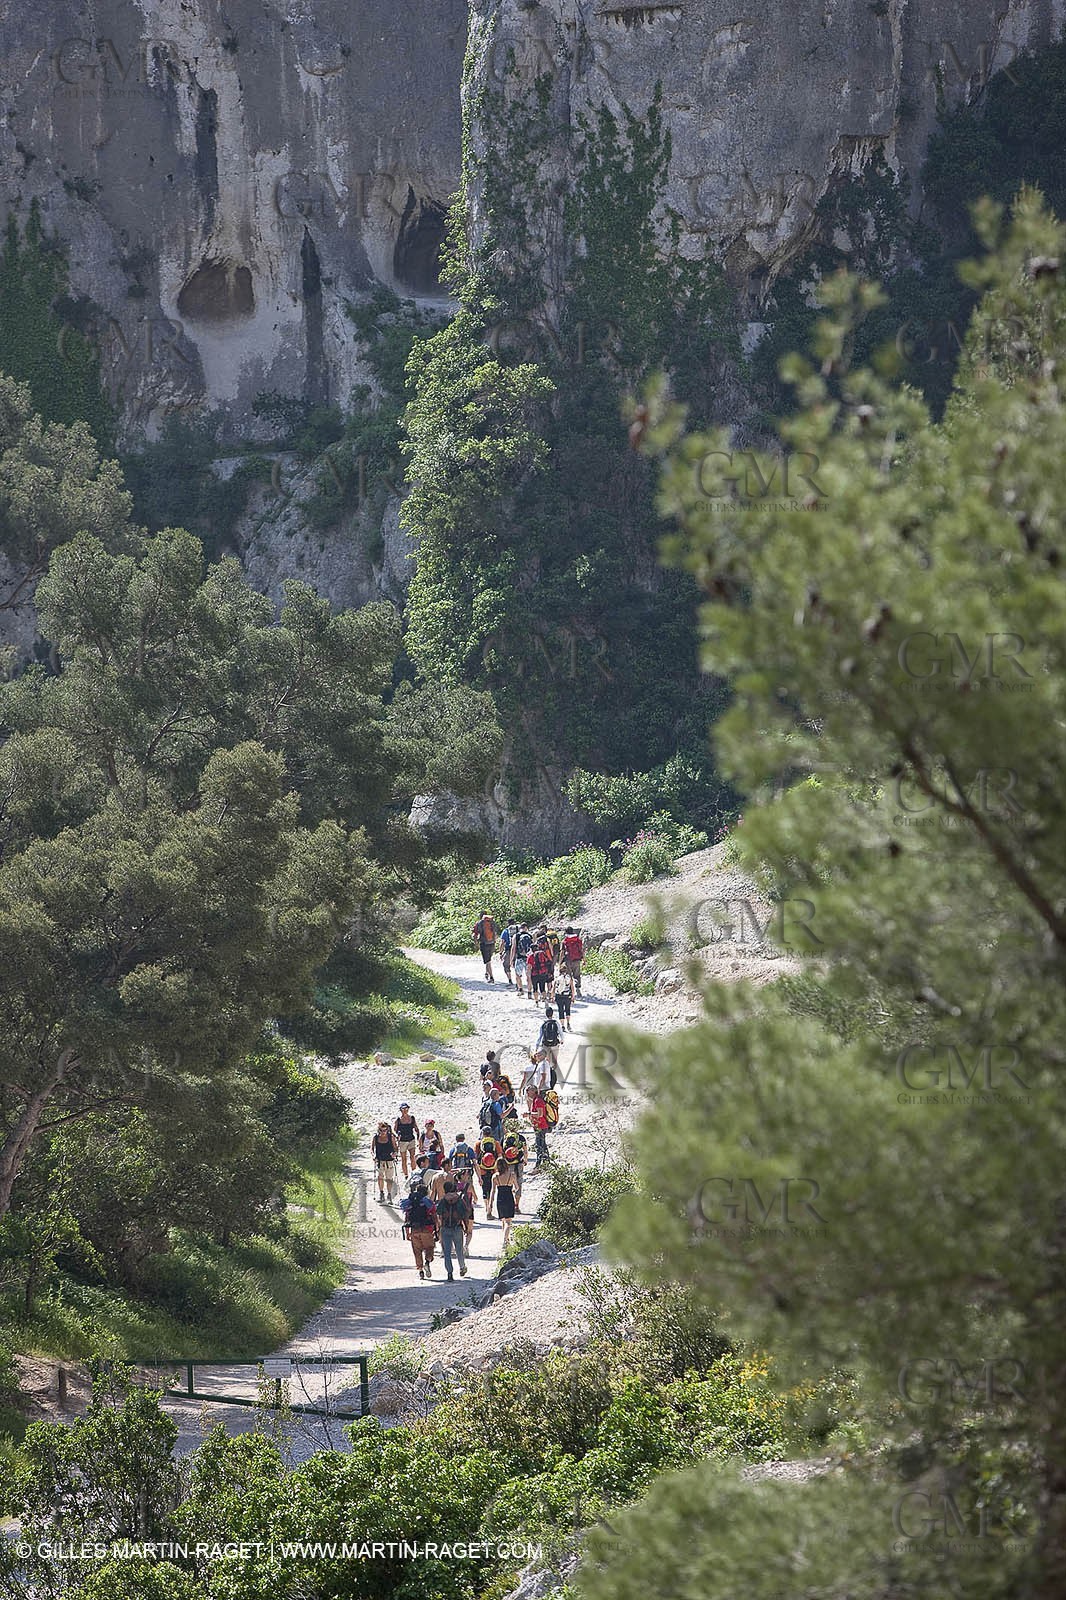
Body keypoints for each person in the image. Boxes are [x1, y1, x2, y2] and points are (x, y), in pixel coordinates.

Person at [401, 1179, 439, 1279]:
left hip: (414, 1230)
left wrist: (407, 1233)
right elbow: (434, 1216)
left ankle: (421, 1271)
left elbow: (407, 1218)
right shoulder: (427, 1203)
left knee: (417, 1251)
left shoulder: (411, 1203)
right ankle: (427, 1262)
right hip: (427, 1229)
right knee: (429, 1248)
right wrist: (437, 1229)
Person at [437, 1179, 472, 1280]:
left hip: (445, 1228)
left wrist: (439, 1228)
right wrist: (466, 1228)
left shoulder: (442, 1201)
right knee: (459, 1250)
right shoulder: (459, 1200)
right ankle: (462, 1267)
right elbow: (465, 1215)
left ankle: (449, 1273)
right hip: (457, 1227)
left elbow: (439, 1213)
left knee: (447, 1252)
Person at [491, 1159, 519, 1249]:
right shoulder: (512, 1175)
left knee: (503, 1220)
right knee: (508, 1222)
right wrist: (513, 1190)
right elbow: (517, 1187)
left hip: (500, 1199)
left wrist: (490, 1203)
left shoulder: (495, 1176)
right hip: (509, 1198)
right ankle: (505, 1241)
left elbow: (493, 1191)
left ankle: (506, 1240)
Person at [474, 1132, 500, 1218]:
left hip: (482, 1170)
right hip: (493, 1170)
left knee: (485, 1190)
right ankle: (490, 1211)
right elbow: (500, 1156)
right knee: (492, 1190)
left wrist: (478, 1174)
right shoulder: (496, 1143)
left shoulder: (478, 1143)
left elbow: (475, 1158)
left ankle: (486, 1208)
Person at [372, 1121, 399, 1202]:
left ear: (387, 1129)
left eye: (385, 1130)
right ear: (378, 1130)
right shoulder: (375, 1138)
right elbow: (372, 1149)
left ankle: (389, 1194)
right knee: (380, 1177)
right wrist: (373, 1155)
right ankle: (381, 1193)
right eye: (381, 1130)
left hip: (389, 1160)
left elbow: (395, 1148)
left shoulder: (391, 1137)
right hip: (380, 1161)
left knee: (389, 1178)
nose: (383, 1132)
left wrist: (395, 1154)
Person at [394, 1103, 420, 1177]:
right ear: (400, 1110)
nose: (405, 1110)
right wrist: (397, 1136)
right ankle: (406, 1175)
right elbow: (395, 1130)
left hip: (411, 1139)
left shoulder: (412, 1118)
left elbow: (416, 1128)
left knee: (412, 1157)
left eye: (406, 1108)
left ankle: (414, 1173)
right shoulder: (398, 1120)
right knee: (404, 1159)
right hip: (402, 1141)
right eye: (403, 1109)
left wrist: (418, 1138)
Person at [472, 910, 497, 982]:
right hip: (492, 943)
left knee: (487, 961)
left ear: (481, 916)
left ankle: (491, 977)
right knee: (488, 960)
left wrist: (476, 944)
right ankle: (487, 973)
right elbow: (495, 933)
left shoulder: (479, 923)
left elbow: (474, 935)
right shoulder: (492, 922)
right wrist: (494, 941)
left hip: (484, 943)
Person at [536, 1007, 562, 1076]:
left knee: (547, 1060)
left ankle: (548, 1075)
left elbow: (540, 1036)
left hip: (546, 1044)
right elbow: (561, 1032)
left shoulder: (544, 1023)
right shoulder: (556, 1023)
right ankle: (554, 1075)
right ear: (552, 1014)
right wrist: (562, 1040)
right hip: (555, 1044)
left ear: (546, 1014)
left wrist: (537, 1046)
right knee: (554, 1060)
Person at [530, 1088, 551, 1169]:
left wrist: (529, 1114)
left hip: (541, 1126)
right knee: (543, 1145)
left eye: (528, 1090)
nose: (527, 1093)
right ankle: (546, 1163)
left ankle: (538, 1165)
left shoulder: (538, 1100)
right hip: (539, 1126)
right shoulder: (535, 1100)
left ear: (533, 1091)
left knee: (539, 1146)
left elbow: (540, 1114)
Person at [563, 927, 585, 994]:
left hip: (568, 960)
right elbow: (581, 950)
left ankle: (570, 990)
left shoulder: (565, 941)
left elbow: (562, 952)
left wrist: (560, 962)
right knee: (577, 975)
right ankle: (578, 988)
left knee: (568, 975)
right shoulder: (578, 940)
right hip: (577, 960)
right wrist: (584, 960)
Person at [513, 924, 533, 998]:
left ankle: (520, 990)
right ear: (526, 928)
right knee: (529, 976)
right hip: (528, 958)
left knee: (518, 975)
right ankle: (529, 992)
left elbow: (513, 948)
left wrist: (512, 959)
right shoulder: (529, 936)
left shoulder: (516, 936)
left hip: (519, 958)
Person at [554, 964, 575, 1032]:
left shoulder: (557, 978)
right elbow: (572, 988)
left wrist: (551, 997)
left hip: (559, 996)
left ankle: (563, 1026)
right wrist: (573, 997)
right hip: (567, 996)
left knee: (561, 1010)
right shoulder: (569, 978)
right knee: (567, 1010)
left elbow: (554, 988)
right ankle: (568, 1023)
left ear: (560, 971)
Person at [499, 920, 516, 986]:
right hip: (517, 950)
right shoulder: (518, 930)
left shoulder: (505, 931)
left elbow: (502, 942)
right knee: (517, 966)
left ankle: (510, 980)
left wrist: (500, 952)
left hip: (508, 950)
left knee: (506, 965)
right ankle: (518, 981)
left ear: (508, 923)